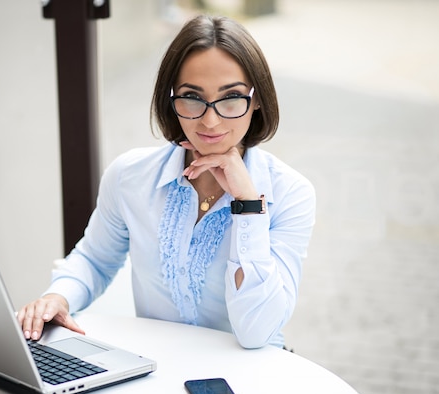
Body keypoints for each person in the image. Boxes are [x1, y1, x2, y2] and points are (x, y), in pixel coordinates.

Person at [18, 15, 315, 349]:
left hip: (250, 379)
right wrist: (57, 298)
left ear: (257, 99)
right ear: (170, 98)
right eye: (192, 97)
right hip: (157, 370)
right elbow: (94, 260)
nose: (210, 120)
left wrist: (247, 205)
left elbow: (256, 332)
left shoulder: (291, 194)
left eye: (231, 97)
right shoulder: (129, 176)